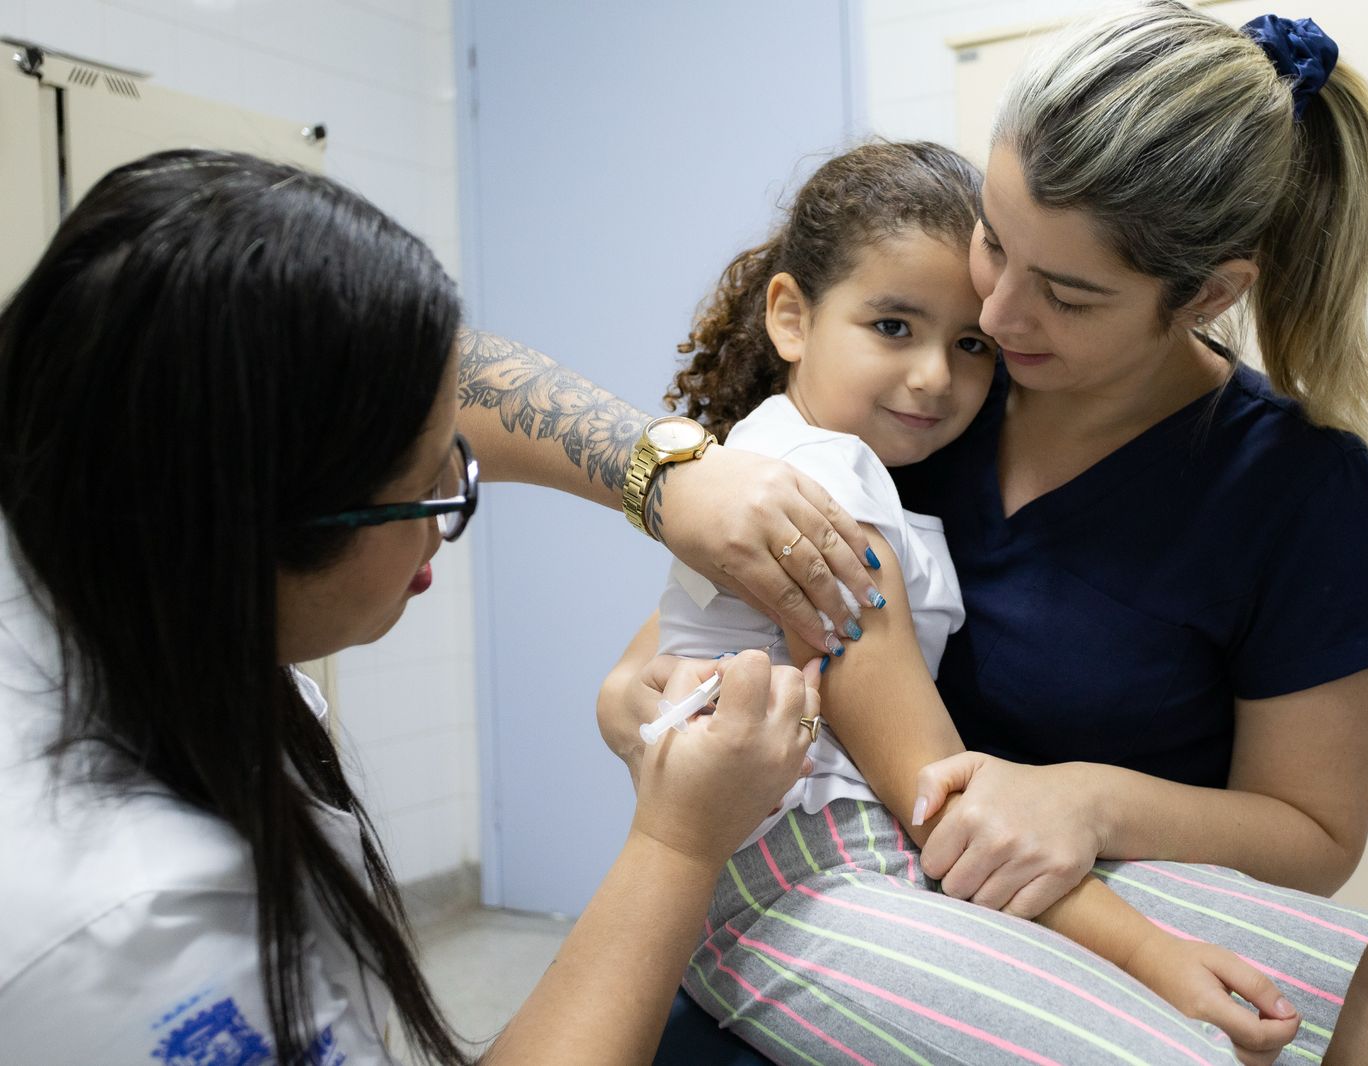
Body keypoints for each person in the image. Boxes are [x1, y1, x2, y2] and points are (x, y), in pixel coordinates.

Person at [600, 4, 1368, 1063]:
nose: (994, 317)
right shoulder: (919, 396)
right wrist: (634, 693)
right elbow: (707, 634)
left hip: (1055, 861)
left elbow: (1314, 834)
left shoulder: (1292, 483)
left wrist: (1089, 803)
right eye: (994, 239)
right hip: (882, 861)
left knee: (1361, 992)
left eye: (1068, 296)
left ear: (1208, 294)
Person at [0, 149, 880, 1065]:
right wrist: (680, 842)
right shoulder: (136, 935)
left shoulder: (100, 486)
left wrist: (666, 471)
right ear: (252, 526)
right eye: (425, 486)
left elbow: (432, 369)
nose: (452, 511)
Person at [645, 138, 1308, 1065]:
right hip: (795, 874)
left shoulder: (800, 455)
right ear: (791, 317)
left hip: (855, 856)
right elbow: (935, 797)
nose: (934, 377)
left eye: (969, 346)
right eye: (892, 327)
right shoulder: (824, 497)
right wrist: (1153, 957)